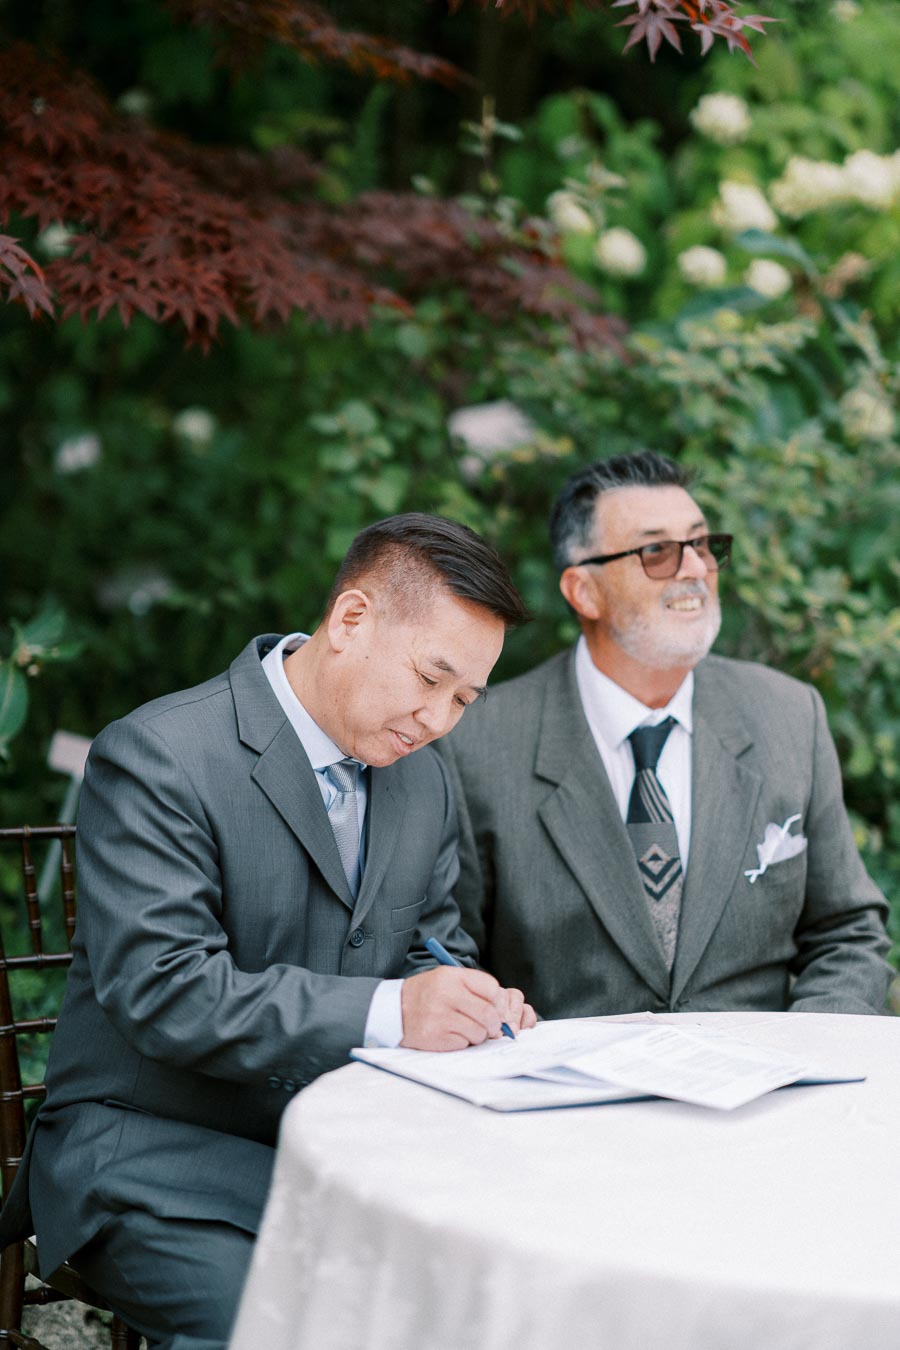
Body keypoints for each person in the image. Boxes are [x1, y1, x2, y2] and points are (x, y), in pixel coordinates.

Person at [0, 513, 535, 1350]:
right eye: (431, 679)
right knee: (279, 1331)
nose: (438, 719)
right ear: (352, 620)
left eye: (464, 698)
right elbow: (166, 992)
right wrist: (396, 1013)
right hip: (151, 1155)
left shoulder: (425, 782)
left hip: (344, 1153)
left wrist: (469, 1004)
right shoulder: (159, 755)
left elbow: (435, 945)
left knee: (494, 1302)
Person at [438, 451, 892, 1021]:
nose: (696, 569)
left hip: (761, 1094)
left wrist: (806, 1061)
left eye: (703, 545)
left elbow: (846, 933)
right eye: (656, 551)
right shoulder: (475, 742)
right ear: (584, 592)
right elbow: (447, 956)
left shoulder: (789, 715)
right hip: (566, 1099)